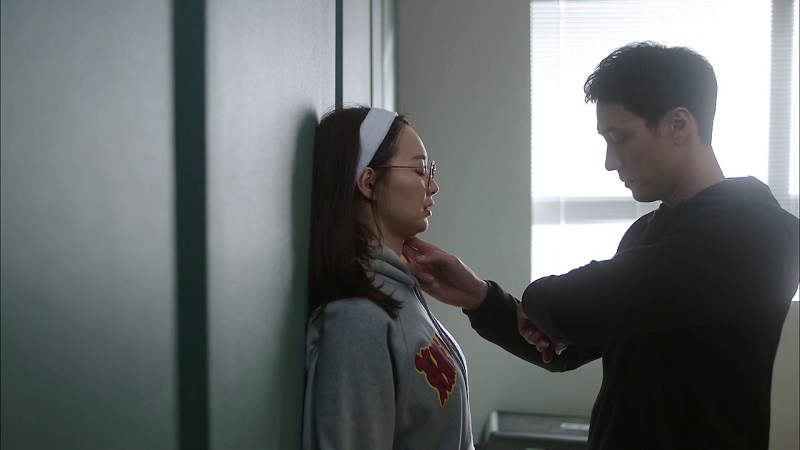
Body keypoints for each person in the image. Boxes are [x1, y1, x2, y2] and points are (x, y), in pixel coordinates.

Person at [402, 42, 800, 449]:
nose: (610, 161)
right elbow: (568, 347)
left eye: (619, 138)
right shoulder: (649, 232)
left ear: (679, 126)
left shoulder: (757, 234)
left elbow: (571, 308)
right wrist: (480, 297)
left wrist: (539, 301)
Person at [301, 105, 474, 449]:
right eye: (420, 170)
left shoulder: (400, 289)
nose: (433, 186)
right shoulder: (356, 319)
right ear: (368, 182)